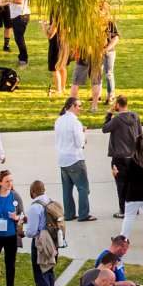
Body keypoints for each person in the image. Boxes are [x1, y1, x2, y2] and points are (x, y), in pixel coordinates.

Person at [55, 93, 92, 222]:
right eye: (79, 106)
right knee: (83, 188)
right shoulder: (75, 122)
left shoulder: (59, 120)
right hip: (75, 159)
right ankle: (83, 214)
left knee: (67, 189)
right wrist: (83, 134)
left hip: (62, 160)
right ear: (72, 106)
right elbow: (79, 143)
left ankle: (69, 214)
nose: (80, 108)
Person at [28, 185, 63, 286]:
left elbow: (31, 232)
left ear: (32, 192)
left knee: (40, 273)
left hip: (41, 242)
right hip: (54, 240)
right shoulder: (49, 201)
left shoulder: (34, 207)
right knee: (49, 271)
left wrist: (22, 230)